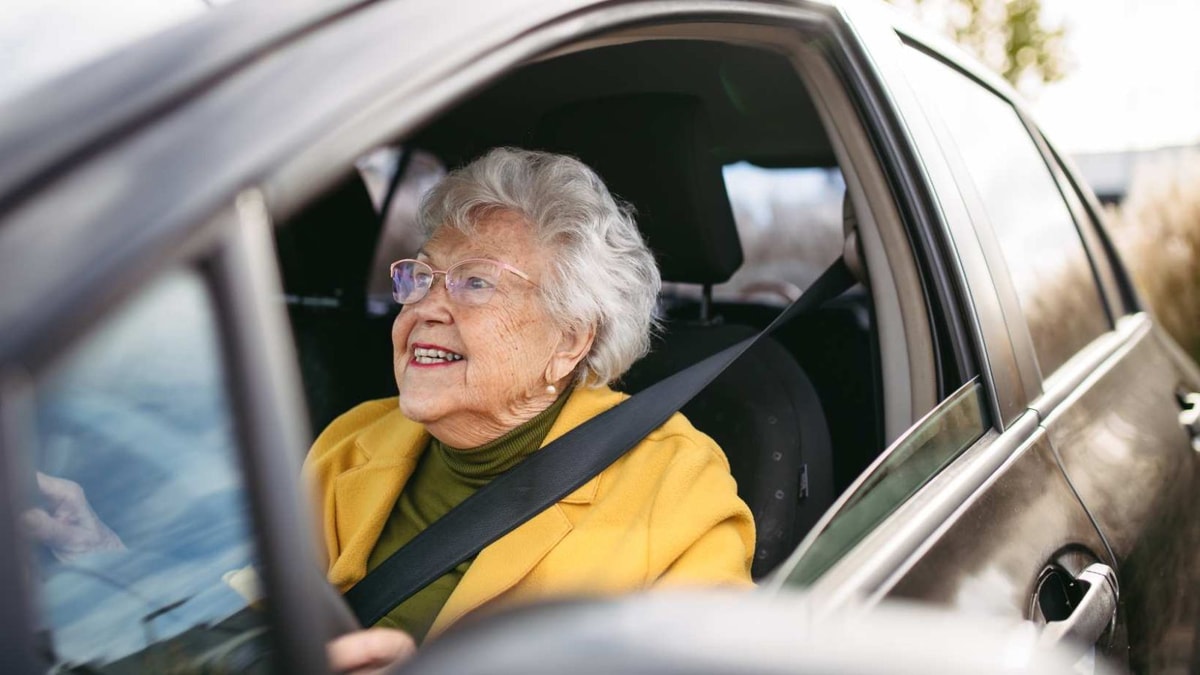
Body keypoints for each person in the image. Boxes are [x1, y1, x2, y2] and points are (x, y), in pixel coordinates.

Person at [308, 147, 755, 672]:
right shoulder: (351, 442)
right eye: (422, 278)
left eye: (475, 282)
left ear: (569, 340)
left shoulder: (675, 484)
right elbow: (248, 626)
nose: (426, 307)